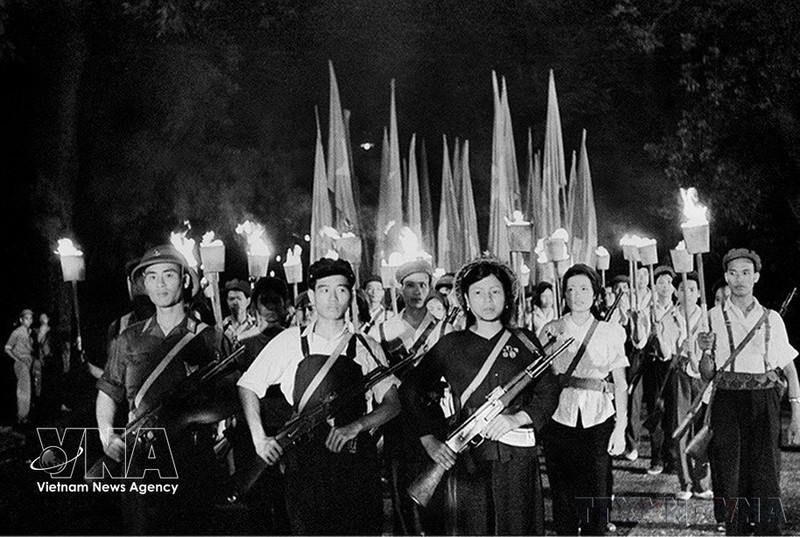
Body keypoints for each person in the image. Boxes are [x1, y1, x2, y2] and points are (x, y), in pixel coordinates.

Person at [237, 258, 401, 535]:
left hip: (355, 463)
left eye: (341, 289)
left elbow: (393, 404)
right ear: (312, 296)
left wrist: (357, 426)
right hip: (306, 465)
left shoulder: (365, 345)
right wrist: (259, 438)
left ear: (351, 295)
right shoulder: (290, 341)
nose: (333, 298)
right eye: (324, 290)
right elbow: (248, 386)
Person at [401, 255, 559, 535]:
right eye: (478, 293)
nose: (487, 300)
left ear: (507, 297)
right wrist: (428, 439)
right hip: (468, 464)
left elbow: (548, 391)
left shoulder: (524, 341)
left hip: (516, 461)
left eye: (495, 291)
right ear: (466, 300)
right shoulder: (450, 344)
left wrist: (516, 419)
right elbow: (411, 390)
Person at [96, 244, 225, 535]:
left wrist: (193, 414)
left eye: (168, 274)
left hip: (191, 456)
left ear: (185, 280)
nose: (161, 284)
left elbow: (229, 399)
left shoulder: (211, 338)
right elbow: (108, 391)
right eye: (152, 277)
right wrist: (106, 433)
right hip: (140, 456)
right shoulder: (127, 339)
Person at [697, 248, 800, 535]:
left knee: (767, 472)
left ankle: (768, 531)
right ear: (726, 277)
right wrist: (705, 350)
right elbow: (707, 373)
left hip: (764, 400)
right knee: (731, 474)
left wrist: (796, 416)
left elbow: (790, 371)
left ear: (755, 276)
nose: (739, 279)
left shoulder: (772, 319)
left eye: (745, 272)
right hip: (727, 400)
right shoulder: (712, 316)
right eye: (732, 273)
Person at [540, 263, 628, 536]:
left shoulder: (610, 331)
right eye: (570, 289)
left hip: (598, 419)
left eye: (583, 288)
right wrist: (547, 343)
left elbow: (620, 383)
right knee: (562, 495)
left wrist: (620, 427)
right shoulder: (552, 329)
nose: (577, 295)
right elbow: (539, 374)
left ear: (595, 293)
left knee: (595, 495)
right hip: (559, 417)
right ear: (563, 295)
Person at [369, 259, 453, 535]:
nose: (417, 291)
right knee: (401, 494)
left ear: (430, 288)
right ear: (399, 289)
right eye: (409, 285)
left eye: (422, 285)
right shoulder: (382, 331)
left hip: (432, 418)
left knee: (436, 497)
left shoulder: (444, 330)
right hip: (398, 421)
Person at [657, 271, 712, 500]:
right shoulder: (668, 319)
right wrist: (670, 340)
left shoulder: (708, 318)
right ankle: (686, 482)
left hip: (702, 377)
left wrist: (698, 349)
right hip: (680, 375)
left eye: (692, 289)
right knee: (680, 427)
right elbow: (666, 353)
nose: (687, 294)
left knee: (703, 428)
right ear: (676, 292)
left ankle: (702, 481)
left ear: (698, 293)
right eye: (683, 289)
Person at [642, 265, 678, 475]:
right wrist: (644, 327)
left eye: (669, 282)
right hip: (654, 364)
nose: (665, 286)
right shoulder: (648, 311)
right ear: (654, 287)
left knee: (672, 412)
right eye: (661, 282)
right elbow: (639, 341)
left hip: (673, 366)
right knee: (655, 410)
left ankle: (671, 457)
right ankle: (656, 458)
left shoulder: (679, 311)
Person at [5, 309, 34, 426]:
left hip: (29, 361)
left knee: (29, 387)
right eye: (26, 318)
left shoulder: (30, 332)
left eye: (31, 318)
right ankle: (22, 417)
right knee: (24, 388)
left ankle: (25, 415)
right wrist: (17, 359)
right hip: (21, 363)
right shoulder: (17, 332)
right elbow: (7, 348)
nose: (29, 321)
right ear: (21, 320)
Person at [222, 278, 257, 349]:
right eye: (231, 299)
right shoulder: (221, 327)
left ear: (248, 301)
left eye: (239, 298)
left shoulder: (256, 326)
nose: (235, 302)